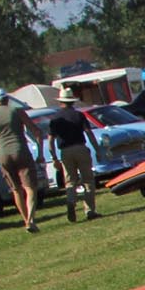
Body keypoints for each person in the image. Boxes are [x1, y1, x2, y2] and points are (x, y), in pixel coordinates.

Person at [0, 89, 41, 232]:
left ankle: (26, 221)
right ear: (7, 99)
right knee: (30, 188)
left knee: (16, 190)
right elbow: (35, 131)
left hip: (3, 155)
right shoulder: (17, 111)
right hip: (20, 150)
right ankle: (31, 220)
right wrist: (40, 152)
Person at [50, 94, 100, 223]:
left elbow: (51, 140)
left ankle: (71, 200)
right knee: (88, 179)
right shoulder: (79, 115)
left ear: (61, 102)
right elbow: (89, 132)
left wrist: (54, 157)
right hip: (80, 147)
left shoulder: (55, 118)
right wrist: (97, 149)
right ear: (72, 102)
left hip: (65, 151)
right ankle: (89, 210)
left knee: (70, 181)